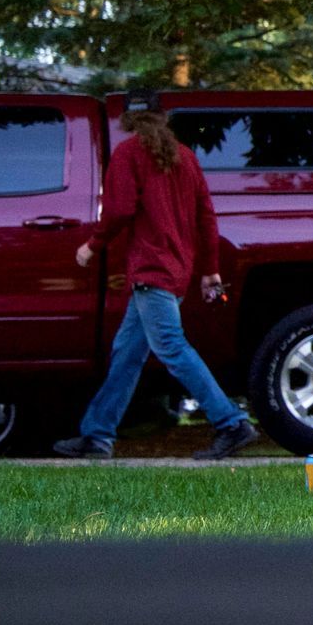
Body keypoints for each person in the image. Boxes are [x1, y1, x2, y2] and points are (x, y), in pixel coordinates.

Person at [53, 98, 259, 462]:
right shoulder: (185, 157)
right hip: (175, 271)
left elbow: (120, 209)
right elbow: (206, 216)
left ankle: (232, 423)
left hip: (152, 271)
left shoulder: (129, 154)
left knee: (172, 349)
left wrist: (92, 245)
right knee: (127, 354)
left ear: (129, 121)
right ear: (163, 119)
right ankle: (97, 435)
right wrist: (209, 269)